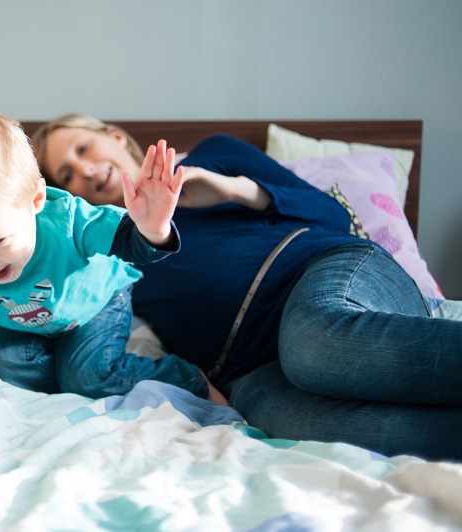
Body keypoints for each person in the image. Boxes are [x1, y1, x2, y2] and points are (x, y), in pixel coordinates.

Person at [28, 113, 462, 461]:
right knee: (294, 424)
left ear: (115, 136)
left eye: (83, 148)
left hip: (326, 274)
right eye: (66, 175)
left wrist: (230, 190)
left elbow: (334, 215)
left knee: (313, 345)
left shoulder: (214, 155)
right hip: (247, 370)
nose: (84, 170)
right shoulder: (105, 253)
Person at [0, 107, 219, 406]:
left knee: (89, 377)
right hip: (25, 322)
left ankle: (188, 377)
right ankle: (65, 367)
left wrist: (153, 228)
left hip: (93, 306)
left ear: (36, 200)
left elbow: (130, 243)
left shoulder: (68, 220)